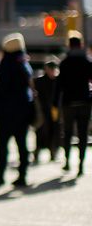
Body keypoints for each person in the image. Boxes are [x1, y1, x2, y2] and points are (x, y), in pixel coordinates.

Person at [0, 32, 34, 189]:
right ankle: (22, 175)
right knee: (22, 144)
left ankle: (0, 176)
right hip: (23, 109)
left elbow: (1, 89)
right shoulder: (24, 63)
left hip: (6, 111)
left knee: (3, 145)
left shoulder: (6, 63)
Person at [52, 32, 92, 176]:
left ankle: (67, 161)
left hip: (68, 102)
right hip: (84, 102)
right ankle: (81, 164)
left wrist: (55, 103)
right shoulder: (87, 61)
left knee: (67, 133)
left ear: (69, 45)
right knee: (82, 134)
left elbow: (59, 85)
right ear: (81, 45)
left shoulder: (64, 63)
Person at [33, 59, 59, 164]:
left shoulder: (56, 81)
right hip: (42, 110)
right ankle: (37, 151)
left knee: (54, 129)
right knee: (40, 131)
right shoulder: (39, 81)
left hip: (54, 109)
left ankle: (52, 151)